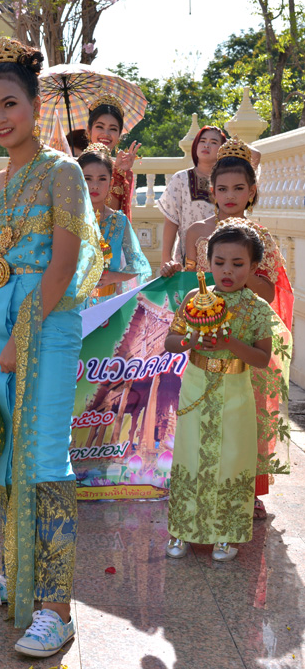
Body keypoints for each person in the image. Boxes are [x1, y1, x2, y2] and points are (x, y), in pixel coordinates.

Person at [0, 38, 103, 659]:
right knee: (6, 456)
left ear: (37, 106)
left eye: (9, 103)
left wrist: (22, 339)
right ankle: (16, 575)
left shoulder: (63, 173)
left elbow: (64, 264)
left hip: (48, 328)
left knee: (44, 460)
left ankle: (56, 608)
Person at [185, 137, 293, 519]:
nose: (230, 195)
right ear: (211, 191)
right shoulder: (199, 233)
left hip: (246, 336)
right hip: (208, 337)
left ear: (252, 192)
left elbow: (269, 289)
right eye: (223, 188)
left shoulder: (259, 237)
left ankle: (248, 488)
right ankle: (202, 482)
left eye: (239, 188)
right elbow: (191, 285)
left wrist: (234, 271)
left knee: (247, 416)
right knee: (207, 412)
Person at [164, 223, 277, 561]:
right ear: (207, 264)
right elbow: (171, 343)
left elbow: (261, 357)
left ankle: (228, 533)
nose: (227, 270)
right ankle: (183, 529)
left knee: (232, 458)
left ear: (254, 267)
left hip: (236, 391)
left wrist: (230, 343)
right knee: (189, 454)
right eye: (219, 262)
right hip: (196, 386)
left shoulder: (257, 308)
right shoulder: (194, 300)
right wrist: (192, 340)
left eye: (238, 264)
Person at [78, 144, 150, 302]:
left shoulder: (119, 221)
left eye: (102, 179)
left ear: (111, 183)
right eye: (87, 179)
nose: (94, 185)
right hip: (73, 306)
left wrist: (113, 277)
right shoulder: (69, 219)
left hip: (108, 304)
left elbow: (138, 266)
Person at [158, 126, 227, 276]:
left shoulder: (227, 181)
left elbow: (256, 157)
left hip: (224, 258)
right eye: (202, 141)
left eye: (214, 142)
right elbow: (171, 221)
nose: (206, 145)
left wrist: (232, 145)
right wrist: (165, 258)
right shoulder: (181, 178)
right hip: (188, 259)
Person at [86, 94, 140, 219]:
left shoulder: (123, 171)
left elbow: (116, 216)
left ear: (120, 134)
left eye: (113, 129)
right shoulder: (74, 166)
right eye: (99, 127)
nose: (106, 134)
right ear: (89, 130)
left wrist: (119, 174)